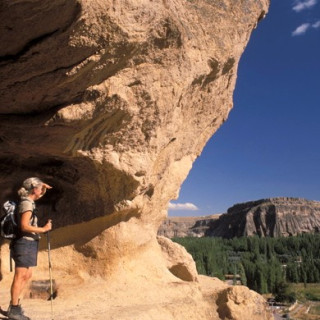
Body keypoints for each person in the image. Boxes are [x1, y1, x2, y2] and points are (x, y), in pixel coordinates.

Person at [7, 177, 52, 320]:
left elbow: (37, 195)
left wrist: (43, 187)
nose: (41, 191)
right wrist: (43, 229)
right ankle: (14, 309)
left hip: (29, 243)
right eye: (39, 188)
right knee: (20, 276)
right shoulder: (26, 204)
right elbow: (24, 226)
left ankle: (14, 305)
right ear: (34, 189)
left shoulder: (29, 201)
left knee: (27, 275)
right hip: (23, 243)